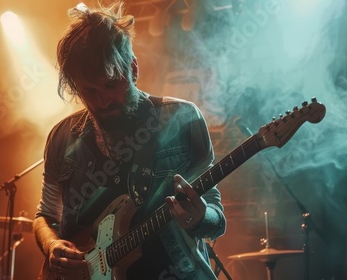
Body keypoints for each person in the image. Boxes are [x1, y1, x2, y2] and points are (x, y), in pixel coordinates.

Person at [33, 1, 226, 279]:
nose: (102, 101)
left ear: (133, 68)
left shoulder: (182, 119)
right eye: (89, 91)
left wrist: (199, 218)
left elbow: (216, 219)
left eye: (112, 84)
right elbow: (45, 216)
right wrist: (52, 245)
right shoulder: (62, 138)